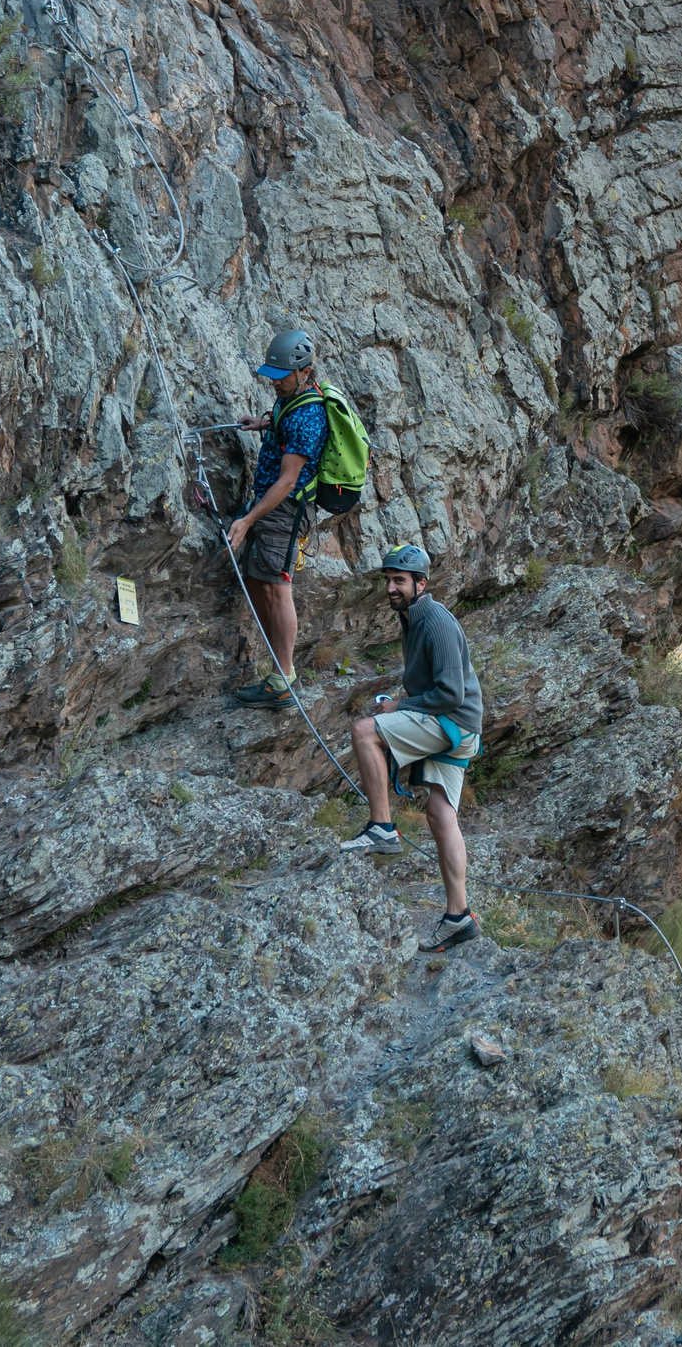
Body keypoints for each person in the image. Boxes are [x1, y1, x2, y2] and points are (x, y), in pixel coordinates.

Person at [342, 545, 485, 953]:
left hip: (452, 722)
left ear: (421, 584)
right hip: (461, 727)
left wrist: (399, 707)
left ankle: (381, 829)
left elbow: (450, 693)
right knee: (441, 815)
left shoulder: (435, 620)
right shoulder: (411, 618)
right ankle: (458, 918)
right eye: (388, 580)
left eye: (399, 581)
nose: (391, 587)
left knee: (365, 731)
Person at [225, 328, 326, 708]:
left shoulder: (309, 416)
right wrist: (263, 425)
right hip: (272, 508)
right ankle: (278, 674)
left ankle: (282, 681)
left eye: (280, 375)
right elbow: (286, 425)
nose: (274, 382)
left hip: (284, 510)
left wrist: (248, 520)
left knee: (277, 586)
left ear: (304, 371)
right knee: (259, 580)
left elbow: (286, 482)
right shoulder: (292, 399)